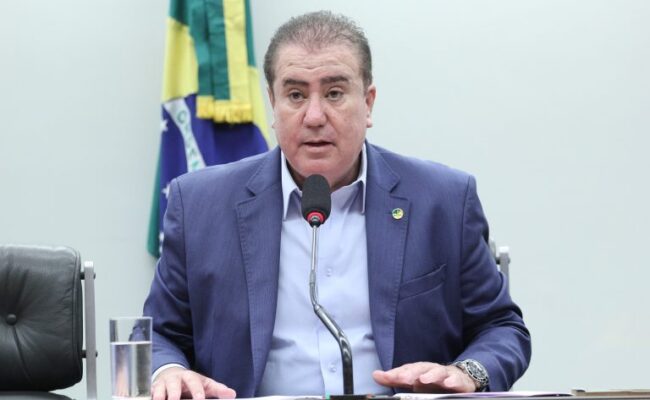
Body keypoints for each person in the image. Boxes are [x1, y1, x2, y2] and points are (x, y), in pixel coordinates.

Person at [144, 11, 531, 400]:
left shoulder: (443, 200)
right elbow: (159, 334)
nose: (314, 117)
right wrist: (170, 371)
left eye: (333, 93)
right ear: (273, 104)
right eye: (296, 95)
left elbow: (500, 327)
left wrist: (466, 372)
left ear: (368, 103)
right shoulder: (199, 205)